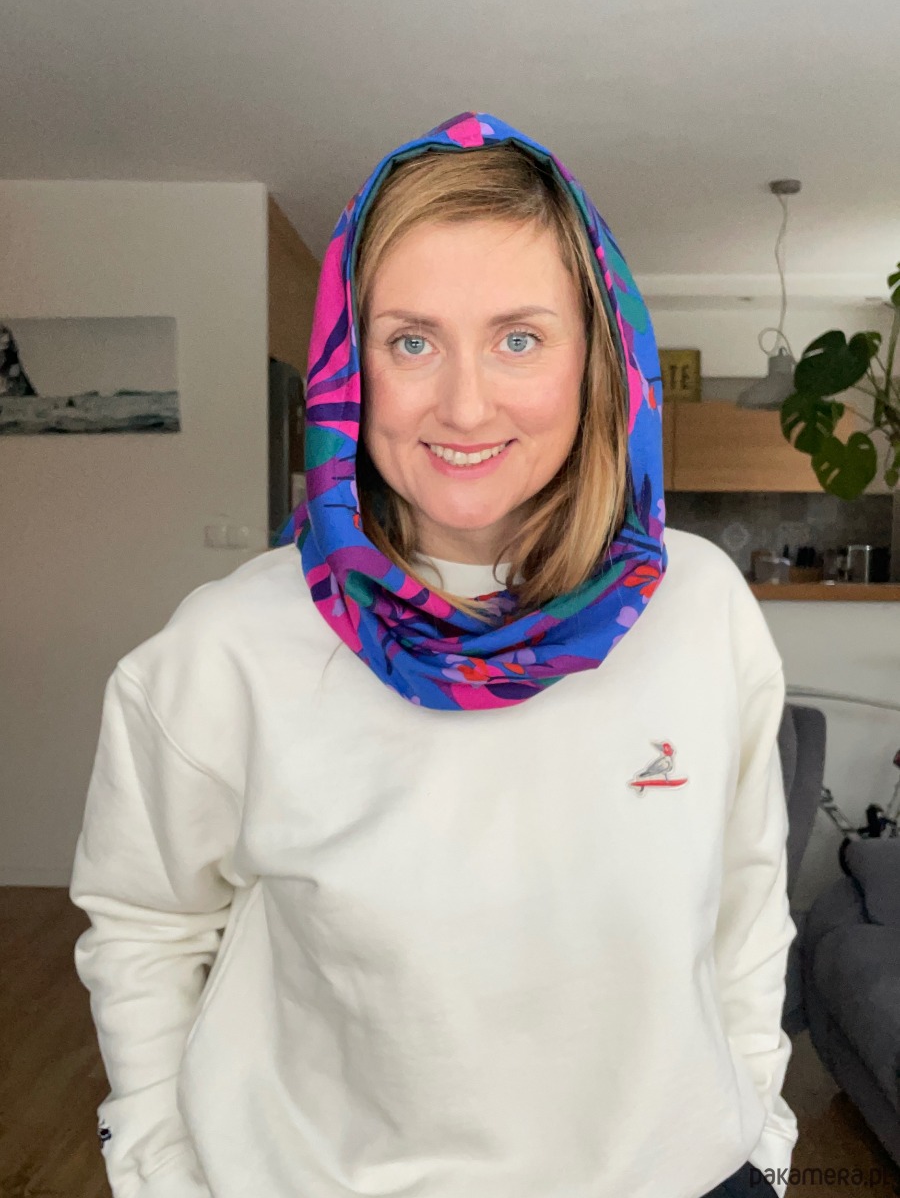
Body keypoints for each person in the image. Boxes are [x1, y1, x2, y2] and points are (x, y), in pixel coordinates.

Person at [69, 111, 798, 1198]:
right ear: (348, 366)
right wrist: (162, 1170)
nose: (464, 404)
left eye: (520, 338)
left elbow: (747, 901)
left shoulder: (701, 608)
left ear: (597, 360)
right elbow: (145, 925)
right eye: (411, 340)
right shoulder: (225, 649)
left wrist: (758, 1135)